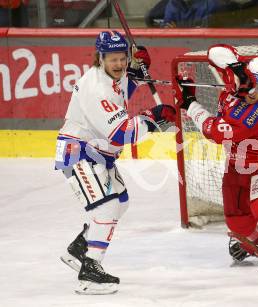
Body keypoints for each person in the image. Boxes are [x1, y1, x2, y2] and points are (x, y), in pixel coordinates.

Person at [55, 30, 176, 294]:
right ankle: (89, 273)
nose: (119, 64)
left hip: (98, 153)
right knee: (107, 207)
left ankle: (80, 250)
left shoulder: (111, 77)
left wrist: (136, 71)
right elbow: (120, 133)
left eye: (123, 58)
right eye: (113, 59)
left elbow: (123, 87)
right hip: (79, 152)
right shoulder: (95, 88)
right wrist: (153, 119)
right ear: (100, 58)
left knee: (121, 201)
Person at [174, 44, 258, 279]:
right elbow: (215, 52)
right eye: (255, 84)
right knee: (237, 223)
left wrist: (190, 104)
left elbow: (215, 132)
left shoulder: (254, 112)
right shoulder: (233, 87)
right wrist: (235, 66)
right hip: (237, 164)